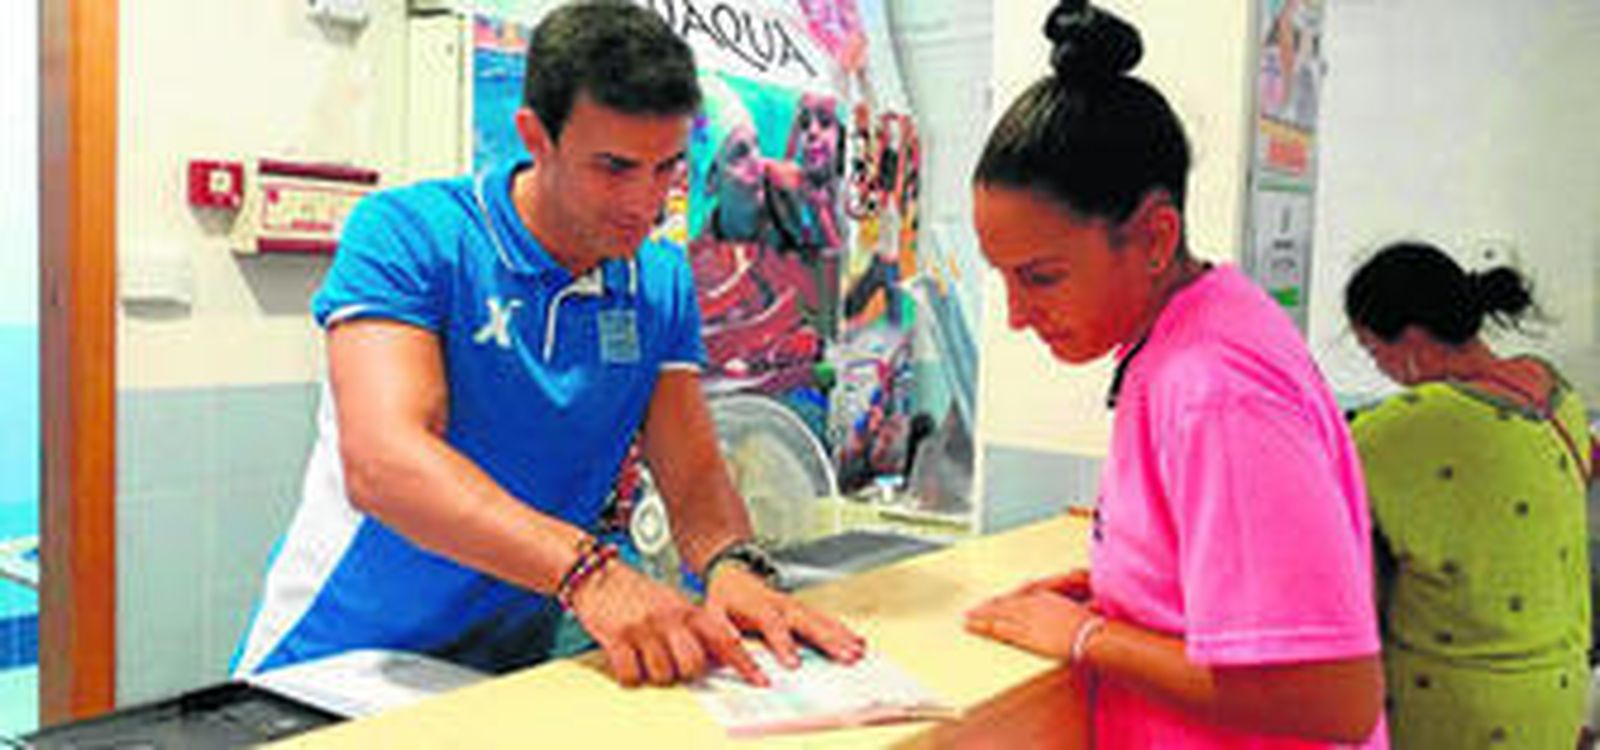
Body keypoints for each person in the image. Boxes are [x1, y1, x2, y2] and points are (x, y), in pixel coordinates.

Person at [233, 0, 863, 689]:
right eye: (614, 167)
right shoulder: (412, 234)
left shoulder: (659, 280)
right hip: (339, 664)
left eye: (666, 169)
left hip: (503, 674)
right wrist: (589, 574)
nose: (645, 203)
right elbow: (386, 463)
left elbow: (691, 475)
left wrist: (732, 564)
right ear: (536, 136)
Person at [961, 2, 1386, 746]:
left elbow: (1333, 697)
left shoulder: (1215, 389)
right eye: (1005, 279)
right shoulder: (1192, 327)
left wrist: (1089, 637)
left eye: (1042, 277)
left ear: (1155, 235)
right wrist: (1129, 592)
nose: (1018, 316)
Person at [1345, 242, 1595, 747]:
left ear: (1412, 341)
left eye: (1375, 352)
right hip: (1559, 689)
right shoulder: (1557, 394)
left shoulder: (1404, 426)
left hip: (1456, 704)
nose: (1382, 371)